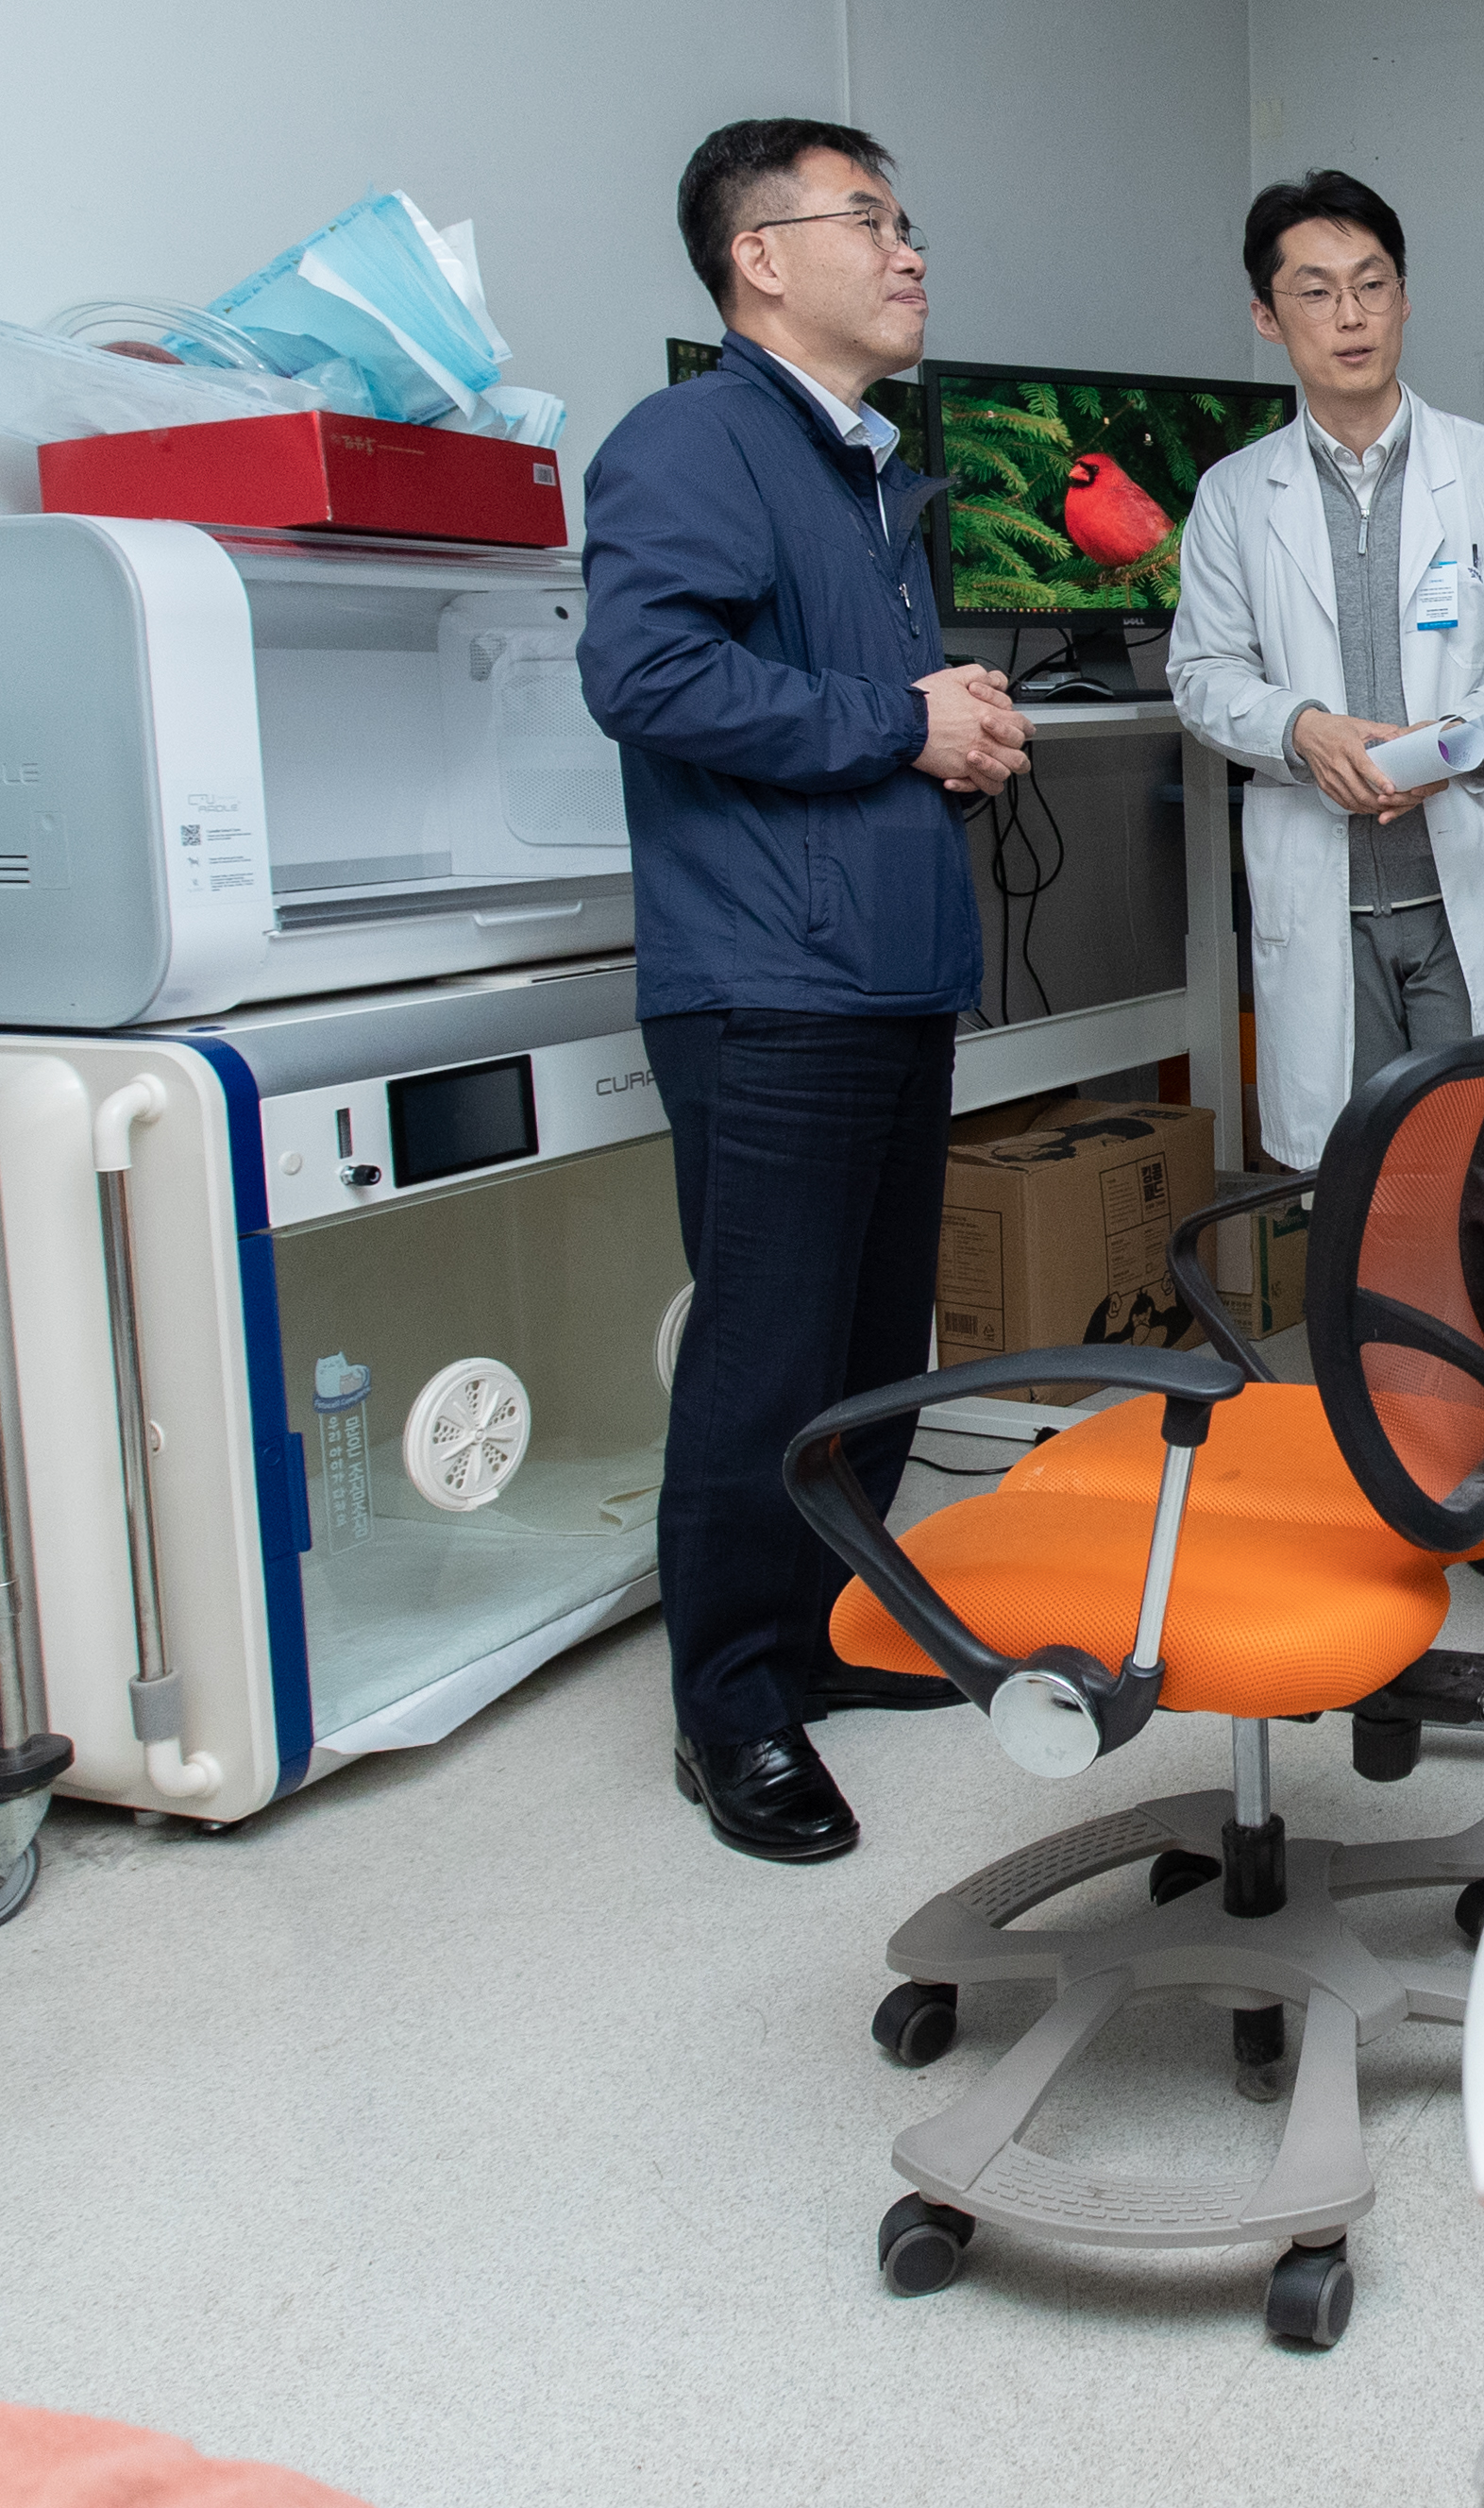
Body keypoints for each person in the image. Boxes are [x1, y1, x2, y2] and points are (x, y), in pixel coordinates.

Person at [580, 119, 1035, 1865]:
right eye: (872, 220)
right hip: (769, 981)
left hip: (880, 972)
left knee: (865, 1350)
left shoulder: (861, 469)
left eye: (911, 220)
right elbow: (649, 670)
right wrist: (899, 719)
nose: (911, 250)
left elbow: (846, 698)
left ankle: (830, 1634)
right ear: (759, 256)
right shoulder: (693, 439)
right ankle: (734, 1706)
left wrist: (949, 722)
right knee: (765, 1359)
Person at [1170, 171, 1484, 1166]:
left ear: (1405, 297)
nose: (1350, 316)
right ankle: (1366, 1333)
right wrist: (1301, 729)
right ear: (1267, 316)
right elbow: (1203, 671)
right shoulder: (1235, 496)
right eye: (1314, 291)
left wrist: (1457, 744)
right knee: (1357, 1187)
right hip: (1326, 903)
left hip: (1471, 881)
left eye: (1372, 284)